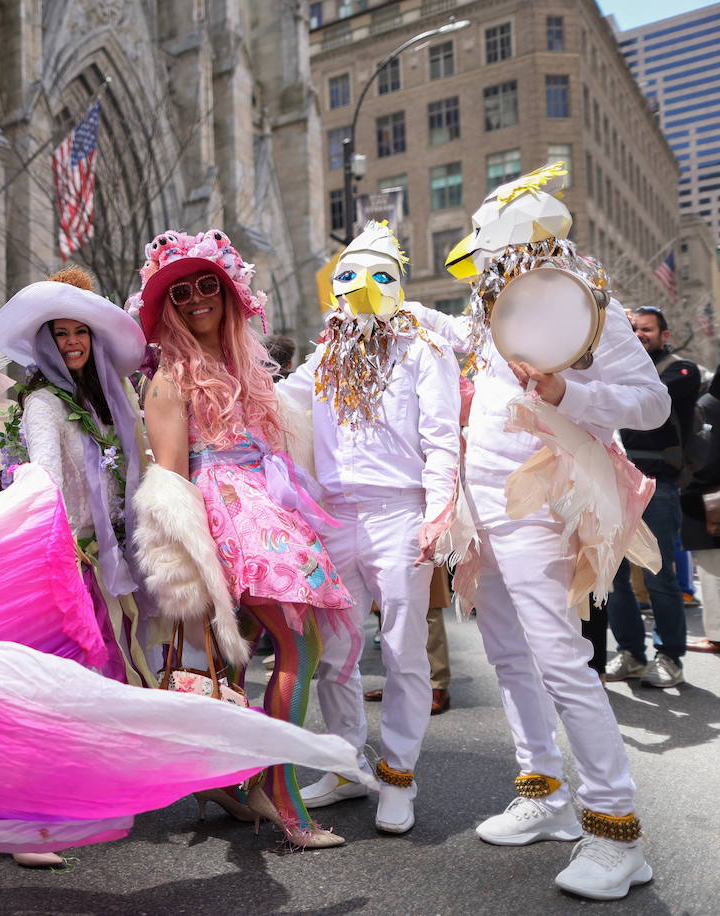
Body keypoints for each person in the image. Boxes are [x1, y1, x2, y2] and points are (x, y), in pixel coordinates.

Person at [417, 162, 667, 900]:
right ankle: (546, 795)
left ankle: (616, 829)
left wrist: (571, 390)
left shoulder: (591, 304)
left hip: (539, 501)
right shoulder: (496, 307)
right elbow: (466, 351)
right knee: (506, 655)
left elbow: (650, 404)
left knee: (560, 660)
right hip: (482, 501)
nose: (485, 257)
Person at [136, 228, 354, 848]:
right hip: (228, 520)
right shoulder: (168, 380)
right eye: (181, 292)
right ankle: (284, 800)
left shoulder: (244, 366)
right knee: (297, 648)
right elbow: (172, 482)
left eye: (209, 284)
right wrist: (193, 567)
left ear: (230, 293)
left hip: (269, 508)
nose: (198, 298)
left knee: (277, 650)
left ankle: (247, 782)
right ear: (167, 309)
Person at [275, 221, 461, 835]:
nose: (359, 288)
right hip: (336, 518)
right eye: (348, 276)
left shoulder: (421, 351)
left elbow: (440, 439)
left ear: (398, 284)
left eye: (378, 275)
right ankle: (348, 762)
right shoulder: (326, 357)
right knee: (336, 653)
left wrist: (438, 514)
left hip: (400, 513)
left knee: (405, 652)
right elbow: (273, 400)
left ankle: (400, 774)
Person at [0, 266, 157, 689]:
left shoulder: (106, 399)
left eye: (79, 332)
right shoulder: (44, 402)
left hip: (111, 557)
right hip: (74, 564)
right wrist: (65, 552)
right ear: (47, 342)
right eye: (60, 334)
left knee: (125, 664)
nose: (71, 343)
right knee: (91, 673)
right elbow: (46, 478)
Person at [604, 307, 701, 687]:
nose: (639, 334)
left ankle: (670, 657)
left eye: (646, 329)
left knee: (659, 576)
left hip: (658, 485)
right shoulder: (616, 371)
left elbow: (650, 407)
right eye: (633, 329)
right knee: (614, 576)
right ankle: (630, 653)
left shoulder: (681, 371)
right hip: (612, 484)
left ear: (664, 334)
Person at [684, 354, 720, 653]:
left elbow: (705, 460)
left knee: (717, 572)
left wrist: (687, 483)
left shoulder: (710, 406)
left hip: (712, 503)